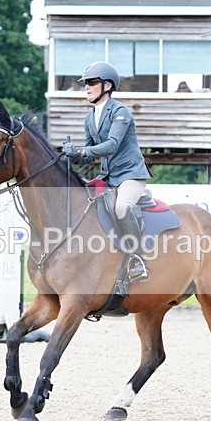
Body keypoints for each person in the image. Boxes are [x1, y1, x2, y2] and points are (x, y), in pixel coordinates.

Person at [62, 61, 153, 282]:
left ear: (107, 86)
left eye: (92, 83)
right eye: (86, 83)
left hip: (131, 175)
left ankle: (138, 259)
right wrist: (72, 156)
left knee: (122, 207)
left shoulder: (120, 112)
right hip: (109, 178)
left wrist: (81, 151)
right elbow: (91, 153)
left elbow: (112, 145)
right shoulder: (89, 117)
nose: (87, 87)